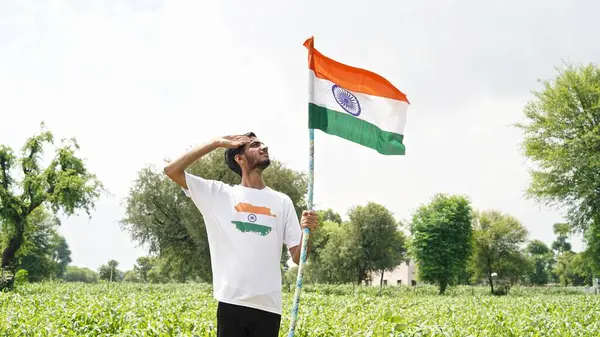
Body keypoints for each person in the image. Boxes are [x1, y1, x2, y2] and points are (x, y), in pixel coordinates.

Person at [163, 132, 318, 337]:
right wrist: (215, 143)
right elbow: (171, 170)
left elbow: (299, 258)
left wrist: (307, 233)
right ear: (239, 158)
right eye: (254, 145)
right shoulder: (218, 194)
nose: (264, 147)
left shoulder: (282, 201)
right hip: (232, 304)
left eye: (262, 144)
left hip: (269, 308)